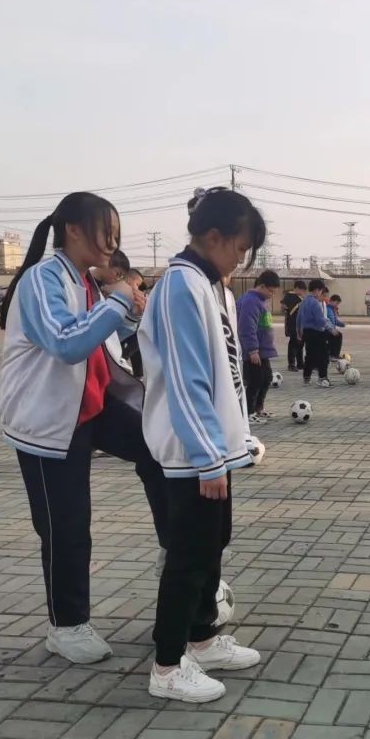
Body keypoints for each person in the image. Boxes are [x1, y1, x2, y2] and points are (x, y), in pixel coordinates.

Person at [0, 192, 167, 665]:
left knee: (161, 447)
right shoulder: (42, 279)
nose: (113, 242)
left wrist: (130, 312)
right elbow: (67, 343)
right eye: (105, 232)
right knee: (66, 526)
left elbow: (103, 338)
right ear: (72, 230)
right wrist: (118, 300)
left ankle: (173, 550)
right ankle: (67, 625)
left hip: (93, 406)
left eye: (116, 233)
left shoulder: (86, 280)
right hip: (48, 419)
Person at [139, 187, 266, 702]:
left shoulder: (211, 287)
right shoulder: (180, 287)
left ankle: (202, 638)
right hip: (193, 454)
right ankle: (168, 666)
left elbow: (226, 375)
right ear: (213, 236)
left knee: (212, 546)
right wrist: (208, 457)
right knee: (189, 557)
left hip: (216, 449)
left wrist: (238, 439)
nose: (241, 259)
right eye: (240, 248)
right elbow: (186, 378)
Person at [237, 269, 281, 423]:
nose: (272, 295)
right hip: (254, 351)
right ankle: (248, 413)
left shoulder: (262, 301)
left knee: (266, 378)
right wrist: (252, 350)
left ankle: (258, 408)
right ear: (262, 286)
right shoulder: (251, 301)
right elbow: (246, 327)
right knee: (255, 381)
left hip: (263, 350)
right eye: (271, 291)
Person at [297, 279, 334, 387]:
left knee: (310, 355)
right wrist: (331, 328)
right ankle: (322, 378)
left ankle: (306, 378)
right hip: (317, 332)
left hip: (306, 332)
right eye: (321, 291)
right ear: (317, 290)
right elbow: (320, 320)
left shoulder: (303, 301)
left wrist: (299, 331)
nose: (321, 293)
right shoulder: (315, 303)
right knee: (323, 355)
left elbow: (298, 318)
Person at [281, 280, 307, 372]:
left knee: (300, 343)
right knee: (293, 343)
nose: (303, 292)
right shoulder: (290, 296)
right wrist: (299, 304)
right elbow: (288, 309)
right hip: (293, 324)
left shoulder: (300, 297)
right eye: (302, 290)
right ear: (297, 288)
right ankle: (291, 364)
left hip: (301, 324)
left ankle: (300, 363)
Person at [326, 294, 347, 366]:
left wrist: (342, 324)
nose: (337, 305)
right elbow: (327, 321)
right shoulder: (327, 309)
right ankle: (333, 355)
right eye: (337, 303)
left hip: (331, 329)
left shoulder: (332, 309)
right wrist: (331, 329)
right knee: (337, 336)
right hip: (327, 329)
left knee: (338, 335)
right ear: (331, 301)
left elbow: (335, 321)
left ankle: (334, 354)